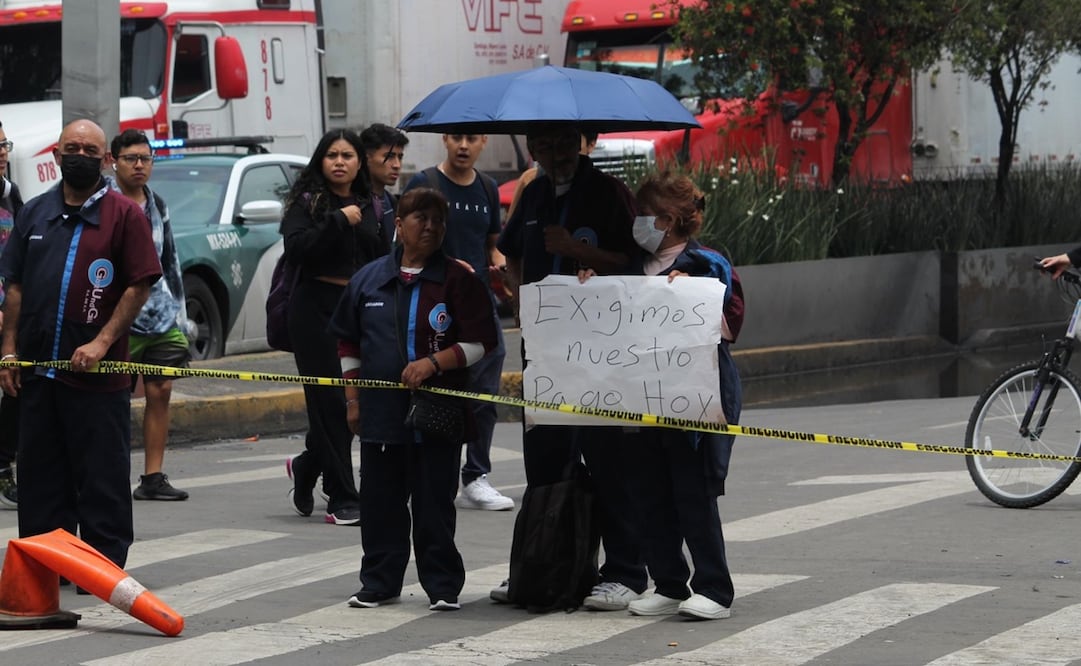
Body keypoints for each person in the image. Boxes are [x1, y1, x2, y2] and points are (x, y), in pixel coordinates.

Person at [494, 123, 647, 611]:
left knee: (607, 460)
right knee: (545, 460)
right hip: (545, 351)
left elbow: (636, 261)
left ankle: (625, 571)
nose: (554, 152)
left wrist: (578, 251)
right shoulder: (535, 193)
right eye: (544, 143)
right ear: (533, 146)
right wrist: (517, 295)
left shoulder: (609, 193)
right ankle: (549, 563)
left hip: (600, 353)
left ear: (583, 143)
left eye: (564, 142)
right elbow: (512, 252)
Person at [580, 171, 744, 620]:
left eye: (644, 215)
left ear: (669, 220)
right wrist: (588, 285)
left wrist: (687, 295)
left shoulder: (708, 264)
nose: (637, 223)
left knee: (693, 493)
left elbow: (730, 327)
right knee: (647, 491)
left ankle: (714, 587)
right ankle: (669, 582)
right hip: (640, 401)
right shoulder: (628, 267)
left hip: (694, 399)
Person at [0, 119, 160, 568]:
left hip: (96, 381)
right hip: (38, 377)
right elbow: (16, 286)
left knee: (101, 479)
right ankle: (44, 563)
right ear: (56, 155)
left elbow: (138, 285)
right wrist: (8, 350)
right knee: (40, 479)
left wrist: (102, 342)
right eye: (72, 147)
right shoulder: (33, 213)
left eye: (91, 150)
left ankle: (102, 568)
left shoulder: (124, 215)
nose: (81, 156)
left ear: (106, 159)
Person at [330, 187, 499, 611]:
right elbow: (348, 344)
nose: (430, 226)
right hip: (381, 414)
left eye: (438, 220)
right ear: (399, 226)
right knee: (381, 501)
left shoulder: (459, 279)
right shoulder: (368, 279)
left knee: (434, 503)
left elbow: (482, 342)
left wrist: (434, 364)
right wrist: (353, 400)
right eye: (420, 218)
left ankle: (442, 586)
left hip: (438, 414)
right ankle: (379, 582)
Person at [403, 133, 514, 512]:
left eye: (472, 139)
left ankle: (476, 475)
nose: (463, 146)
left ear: (484, 142)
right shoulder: (425, 183)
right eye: (457, 138)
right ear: (446, 141)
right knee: (437, 390)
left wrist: (501, 266)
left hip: (479, 303)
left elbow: (492, 244)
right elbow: (409, 243)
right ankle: (433, 471)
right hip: (436, 305)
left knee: (484, 390)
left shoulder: (487, 186)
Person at [281, 129, 384, 526]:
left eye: (347, 155)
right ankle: (342, 496)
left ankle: (309, 465)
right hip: (316, 311)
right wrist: (337, 221)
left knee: (359, 402)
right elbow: (297, 250)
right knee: (331, 405)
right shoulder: (308, 202)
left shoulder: (373, 203)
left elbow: (382, 255)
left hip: (361, 311)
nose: (339, 162)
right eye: (331, 155)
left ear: (360, 162)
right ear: (320, 162)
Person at [108, 129, 191, 501]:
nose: (140, 165)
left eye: (145, 158)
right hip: (118, 319)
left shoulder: (157, 204)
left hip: (161, 316)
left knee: (161, 390)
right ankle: (107, 474)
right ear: (113, 162)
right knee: (111, 399)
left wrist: (181, 314)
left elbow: (170, 260)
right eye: (131, 158)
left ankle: (153, 477)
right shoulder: (103, 203)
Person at [0, 120, 22, 509]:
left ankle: (4, 468)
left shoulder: (10, 195)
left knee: (14, 391)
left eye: (4, 144)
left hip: (10, 316)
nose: (3, 152)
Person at [505, 131, 597, 221]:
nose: (558, 155)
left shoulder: (605, 191)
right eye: (546, 147)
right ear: (532, 152)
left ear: (578, 143)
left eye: (566, 143)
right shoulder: (531, 190)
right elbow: (511, 233)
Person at [360, 123, 408, 235]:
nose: (397, 165)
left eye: (400, 157)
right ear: (367, 159)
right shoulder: (355, 204)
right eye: (389, 156)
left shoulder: (392, 202)